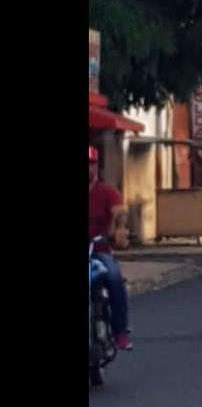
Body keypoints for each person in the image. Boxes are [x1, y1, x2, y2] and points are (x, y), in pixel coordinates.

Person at [89, 146, 133, 350]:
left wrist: (121, 229)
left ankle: (120, 331)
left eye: (91, 164)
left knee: (114, 277)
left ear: (97, 166)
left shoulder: (107, 192)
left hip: (99, 251)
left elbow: (119, 212)